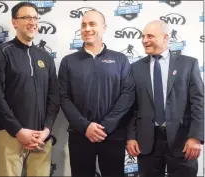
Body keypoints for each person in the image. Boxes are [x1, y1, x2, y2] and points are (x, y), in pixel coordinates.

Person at [0, 2, 60, 176]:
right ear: (14, 22)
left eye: (35, 18)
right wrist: (18, 131)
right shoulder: (1, 52)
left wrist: (46, 130)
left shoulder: (45, 57)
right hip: (11, 135)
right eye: (26, 17)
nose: (32, 22)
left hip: (41, 137)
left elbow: (54, 96)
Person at [58, 10, 135, 177]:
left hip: (113, 135)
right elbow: (63, 97)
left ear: (104, 27)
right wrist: (85, 126)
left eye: (92, 24)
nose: (87, 29)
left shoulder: (120, 59)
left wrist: (106, 126)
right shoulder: (68, 61)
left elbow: (128, 95)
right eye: (83, 25)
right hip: (80, 134)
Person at [126, 20, 204, 177]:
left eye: (150, 36)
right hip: (147, 142)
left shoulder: (188, 64)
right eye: (143, 36)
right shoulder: (135, 68)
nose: (144, 40)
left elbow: (199, 103)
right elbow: (131, 107)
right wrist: (131, 137)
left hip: (182, 141)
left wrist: (196, 137)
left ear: (165, 37)